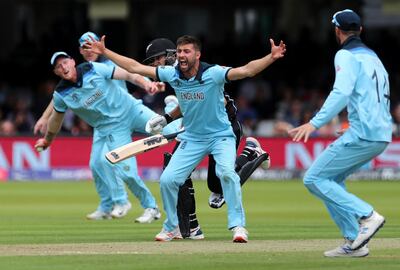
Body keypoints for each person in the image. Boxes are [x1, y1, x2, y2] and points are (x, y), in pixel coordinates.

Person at [85, 34, 286, 242]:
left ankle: (238, 226)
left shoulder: (213, 73)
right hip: (193, 136)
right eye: (180, 51)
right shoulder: (172, 75)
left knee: (224, 175)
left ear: (197, 55)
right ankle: (173, 227)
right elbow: (135, 68)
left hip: (221, 134)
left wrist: (271, 57)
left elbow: (246, 70)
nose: (182, 55)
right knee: (168, 179)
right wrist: (105, 52)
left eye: (186, 51)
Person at [34, 32, 168, 223]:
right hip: (110, 127)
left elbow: (130, 73)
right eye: (58, 66)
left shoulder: (96, 67)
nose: (63, 67)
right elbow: (56, 113)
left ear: (72, 61)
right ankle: (144, 206)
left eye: (65, 62)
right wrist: (47, 137)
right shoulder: (62, 92)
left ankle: (174, 109)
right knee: (115, 168)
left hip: (131, 109)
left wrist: (147, 84)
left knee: (168, 128)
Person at [144, 38, 271, 240]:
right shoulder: (174, 74)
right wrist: (167, 118)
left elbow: (209, 98)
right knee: (172, 175)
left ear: (169, 55)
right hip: (196, 132)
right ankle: (187, 227)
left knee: (218, 184)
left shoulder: (203, 70)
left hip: (224, 126)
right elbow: (189, 104)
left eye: (155, 59)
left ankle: (251, 154)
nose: (153, 65)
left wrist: (187, 119)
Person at [288, 9, 390, 257]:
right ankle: (354, 242)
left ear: (336, 30)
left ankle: (367, 215)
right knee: (332, 181)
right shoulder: (373, 56)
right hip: (381, 132)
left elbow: (341, 93)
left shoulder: (345, 55)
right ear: (361, 30)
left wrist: (314, 123)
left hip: (364, 132)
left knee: (313, 179)